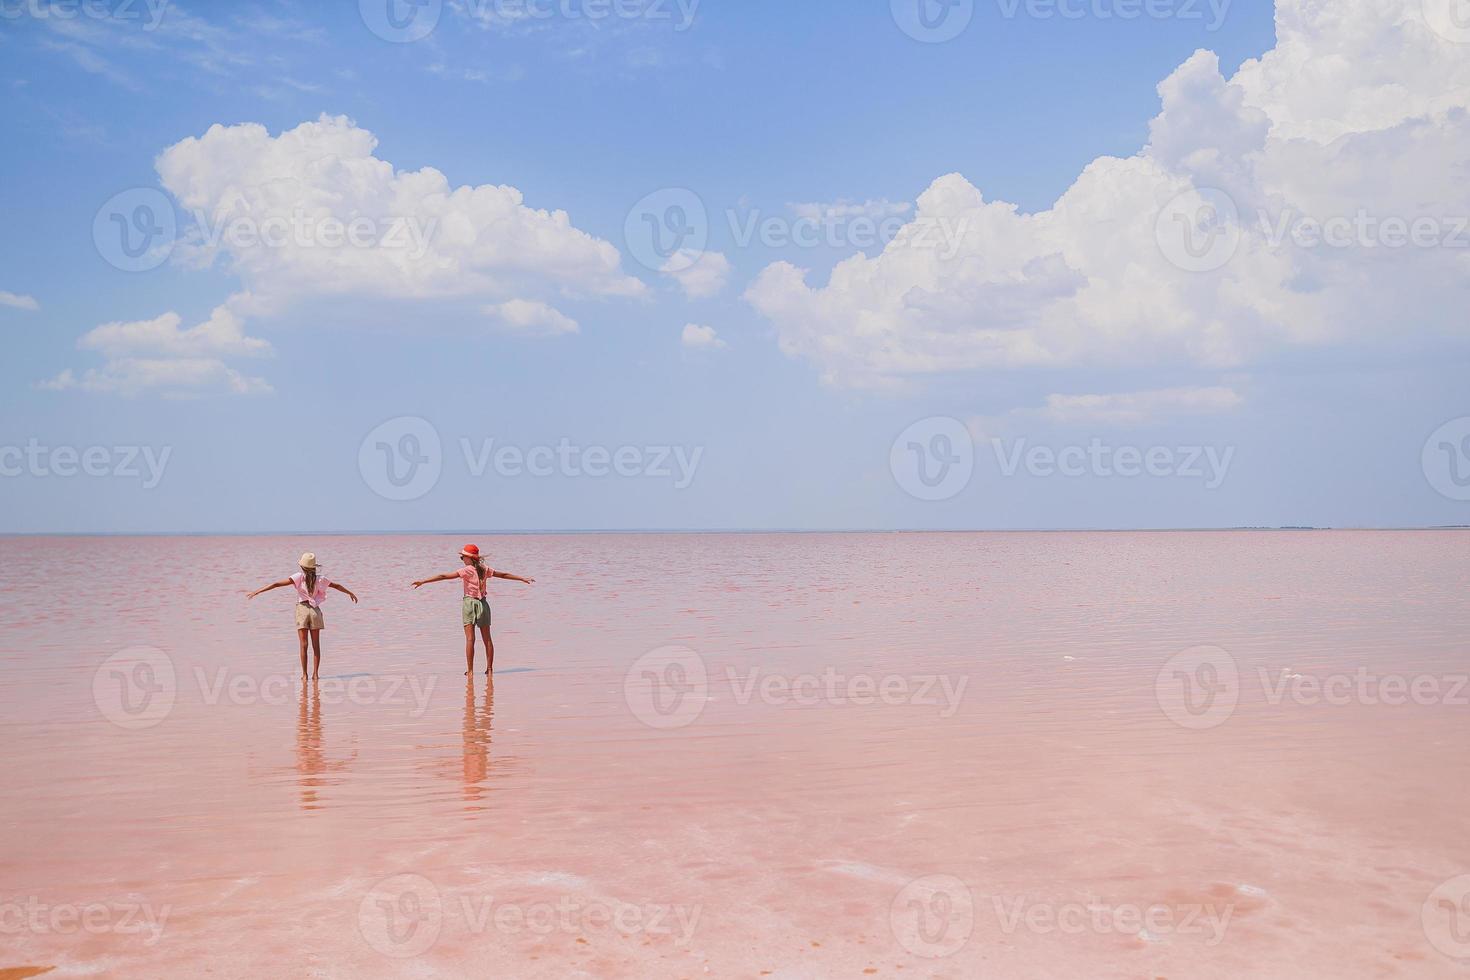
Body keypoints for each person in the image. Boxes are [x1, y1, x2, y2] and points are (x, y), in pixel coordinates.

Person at [412, 544, 534, 675]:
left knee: (470, 639)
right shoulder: (484, 569)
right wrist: (522, 578)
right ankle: (490, 668)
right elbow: (503, 574)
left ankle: (470, 671)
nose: (462, 559)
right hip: (483, 604)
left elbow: (443, 576)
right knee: (487, 639)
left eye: (462, 557)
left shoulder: (466, 570)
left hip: (469, 604)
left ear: (469, 558)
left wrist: (423, 581)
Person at [246, 552, 359, 680]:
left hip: (302, 610)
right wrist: (350, 593)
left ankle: (304, 675)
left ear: (302, 567)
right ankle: (315, 674)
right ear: (314, 567)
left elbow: (276, 584)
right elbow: (337, 586)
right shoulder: (320, 579)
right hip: (315, 612)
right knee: (316, 645)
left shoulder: (299, 577)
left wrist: (257, 591)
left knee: (303, 645)